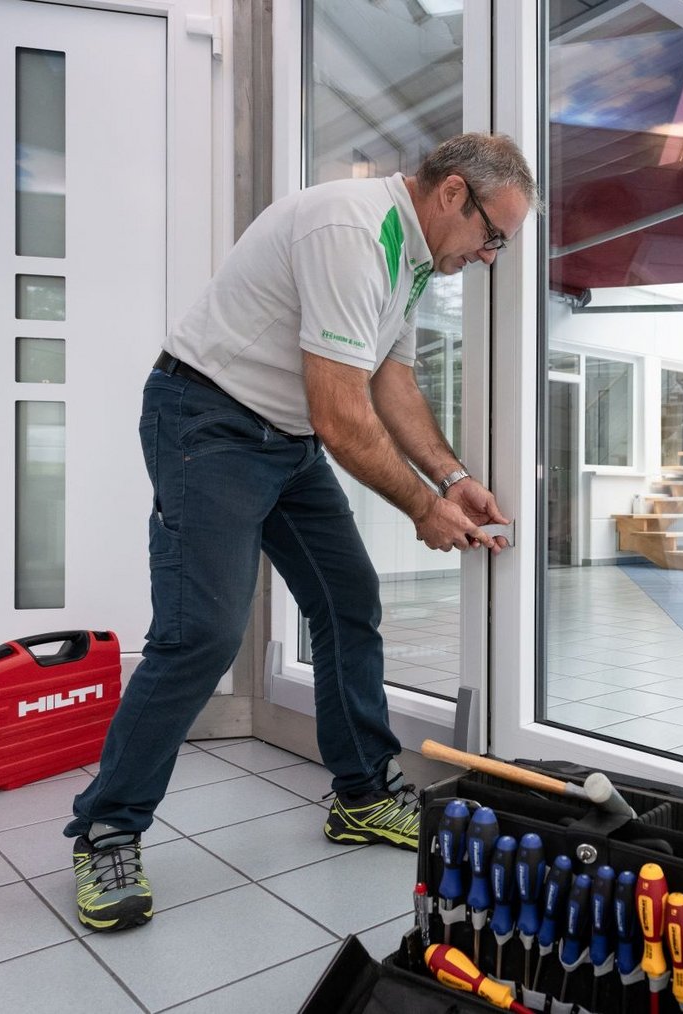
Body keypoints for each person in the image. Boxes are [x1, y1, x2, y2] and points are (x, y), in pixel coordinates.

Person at [65, 132, 538, 932]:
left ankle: (360, 795)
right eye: (495, 236)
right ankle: (107, 828)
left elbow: (390, 378)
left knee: (347, 599)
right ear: (454, 194)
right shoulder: (352, 230)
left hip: (282, 439)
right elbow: (340, 415)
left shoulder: (412, 256)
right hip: (207, 422)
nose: (492, 255)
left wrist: (452, 481)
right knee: (203, 633)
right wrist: (423, 511)